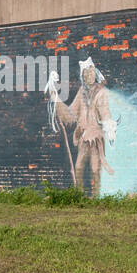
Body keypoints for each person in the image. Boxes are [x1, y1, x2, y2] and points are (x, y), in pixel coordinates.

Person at [48, 57, 117, 197]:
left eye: (91, 73)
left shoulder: (101, 92)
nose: (89, 76)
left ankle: (96, 198)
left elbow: (105, 112)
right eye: (86, 74)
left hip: (96, 138)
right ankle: (80, 197)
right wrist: (56, 99)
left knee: (94, 169)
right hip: (84, 138)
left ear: (95, 73)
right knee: (79, 167)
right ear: (83, 77)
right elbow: (71, 114)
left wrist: (109, 128)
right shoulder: (82, 92)